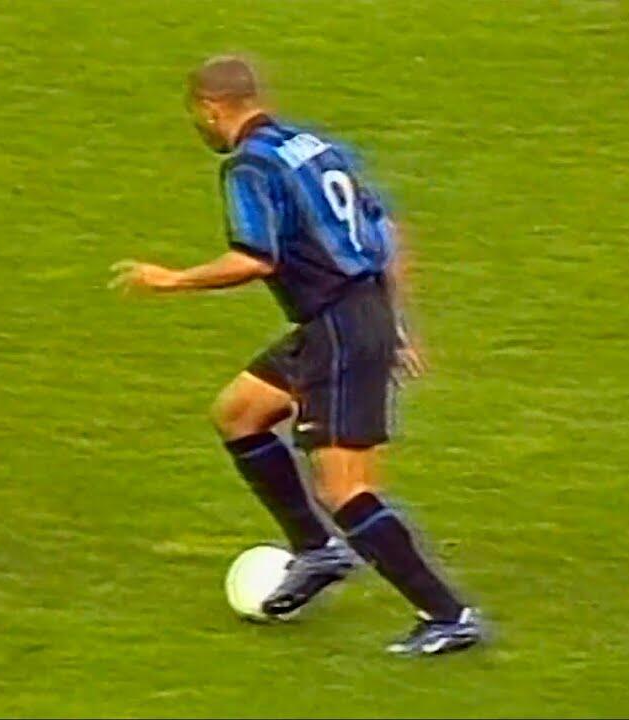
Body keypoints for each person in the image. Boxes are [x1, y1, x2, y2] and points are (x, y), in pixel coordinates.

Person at [109, 55, 484, 655]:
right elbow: (389, 231)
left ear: (211, 107)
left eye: (196, 114)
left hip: (340, 328)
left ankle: (448, 615)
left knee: (346, 489)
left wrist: (171, 280)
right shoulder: (312, 147)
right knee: (239, 412)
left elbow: (255, 258)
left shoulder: (249, 166)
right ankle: (317, 549)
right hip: (344, 319)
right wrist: (396, 321)